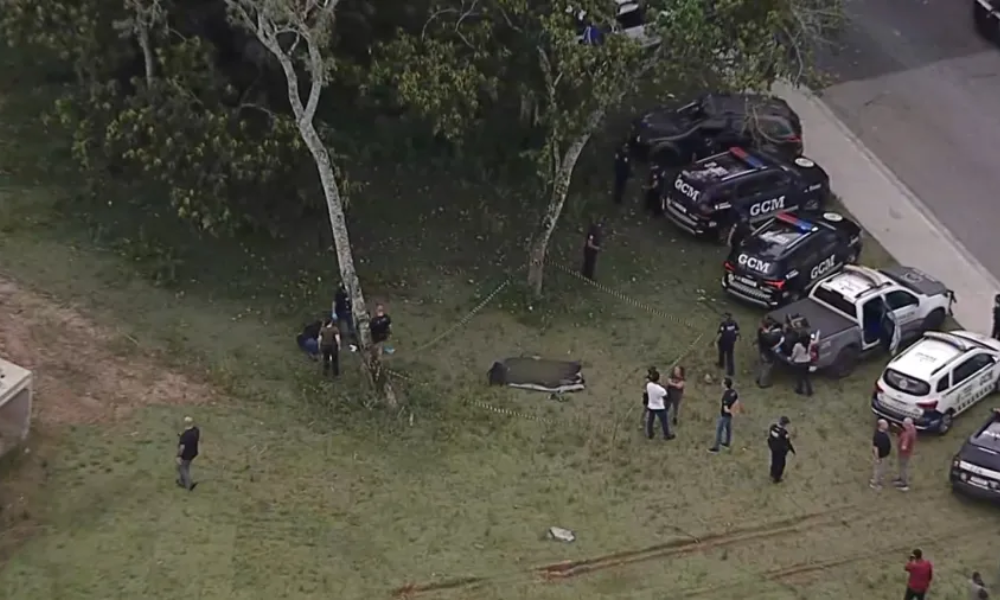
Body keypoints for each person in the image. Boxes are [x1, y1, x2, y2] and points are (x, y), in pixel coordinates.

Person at [709, 377, 739, 453]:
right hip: (730, 415)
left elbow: (726, 408)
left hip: (725, 415)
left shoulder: (726, 396)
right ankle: (727, 442)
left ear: (725, 385)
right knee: (728, 428)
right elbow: (736, 402)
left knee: (719, 430)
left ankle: (716, 447)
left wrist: (728, 410)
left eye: (723, 382)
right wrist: (733, 411)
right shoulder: (733, 392)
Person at [645, 369, 675, 440]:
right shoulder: (660, 390)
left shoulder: (649, 385)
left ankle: (650, 433)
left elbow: (653, 384)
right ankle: (667, 435)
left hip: (651, 405)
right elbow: (666, 396)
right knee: (664, 421)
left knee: (650, 421)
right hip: (659, 407)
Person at [755, 317, 782, 388]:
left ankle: (759, 379)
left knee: (762, 365)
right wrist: (778, 333)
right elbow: (772, 341)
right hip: (767, 354)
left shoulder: (760, 331)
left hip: (762, 351)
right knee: (767, 368)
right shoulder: (767, 337)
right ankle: (763, 383)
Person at [767, 416, 795, 482]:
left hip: (773, 448)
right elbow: (787, 442)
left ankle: (772, 473)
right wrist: (792, 450)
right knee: (781, 464)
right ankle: (777, 478)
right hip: (781, 450)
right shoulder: (784, 432)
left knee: (774, 460)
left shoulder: (772, 427)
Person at [176, 416, 200, 491]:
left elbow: (182, 448)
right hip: (194, 452)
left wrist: (178, 456)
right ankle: (181, 481)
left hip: (186, 455)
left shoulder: (185, 436)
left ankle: (189, 485)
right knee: (184, 466)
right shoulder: (196, 430)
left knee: (182, 468)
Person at [894, 417, 917, 491]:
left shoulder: (907, 434)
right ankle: (900, 478)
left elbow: (904, 445)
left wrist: (902, 446)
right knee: (902, 467)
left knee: (903, 467)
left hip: (904, 454)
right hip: (908, 452)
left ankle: (904, 484)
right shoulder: (913, 429)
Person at [716, 313, 740, 377]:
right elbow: (737, 331)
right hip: (731, 342)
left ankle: (721, 364)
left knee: (722, 353)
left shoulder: (723, 324)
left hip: (723, 342)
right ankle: (731, 372)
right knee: (730, 356)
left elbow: (720, 332)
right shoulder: (734, 323)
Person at [871, 419, 892, 490]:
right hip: (880, 457)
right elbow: (875, 448)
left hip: (884, 455)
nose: (887, 425)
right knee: (878, 470)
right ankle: (875, 484)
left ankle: (878, 480)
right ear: (881, 426)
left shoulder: (884, 433)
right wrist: (877, 458)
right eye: (885, 424)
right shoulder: (877, 436)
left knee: (881, 469)